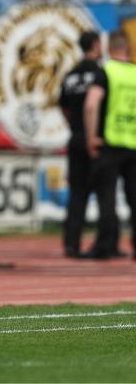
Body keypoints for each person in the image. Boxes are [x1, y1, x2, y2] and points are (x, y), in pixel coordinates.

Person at [83, 30, 136, 260]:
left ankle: (105, 245)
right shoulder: (134, 73)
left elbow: (91, 105)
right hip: (133, 143)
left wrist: (91, 137)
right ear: (127, 48)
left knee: (107, 198)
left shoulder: (106, 72)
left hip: (111, 142)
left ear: (109, 48)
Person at [59, 30, 102, 258]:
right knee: (105, 194)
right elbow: (94, 107)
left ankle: (71, 243)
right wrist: (92, 134)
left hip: (75, 138)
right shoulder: (100, 74)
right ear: (95, 44)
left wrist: (75, 128)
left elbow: (64, 107)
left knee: (77, 194)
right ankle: (106, 243)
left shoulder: (71, 75)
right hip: (97, 141)